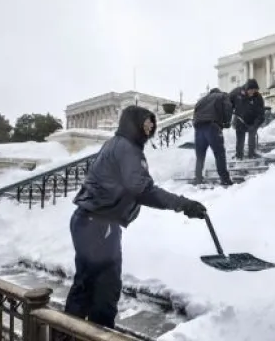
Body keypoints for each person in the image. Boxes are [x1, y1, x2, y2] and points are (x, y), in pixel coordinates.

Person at [63, 105, 208, 328]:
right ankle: (88, 334)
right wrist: (184, 204)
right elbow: (141, 189)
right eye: (146, 122)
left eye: (152, 122)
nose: (150, 126)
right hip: (98, 223)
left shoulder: (117, 144)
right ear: (132, 123)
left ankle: (74, 333)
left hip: (92, 221)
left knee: (90, 284)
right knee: (101, 288)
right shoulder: (127, 148)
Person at [192, 88, 234, 186]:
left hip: (198, 128)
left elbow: (195, 113)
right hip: (212, 126)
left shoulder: (201, 100)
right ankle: (224, 179)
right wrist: (227, 122)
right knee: (219, 153)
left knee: (200, 156)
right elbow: (228, 107)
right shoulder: (222, 95)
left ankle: (198, 178)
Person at [229, 79, 265, 160]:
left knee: (252, 136)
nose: (253, 92)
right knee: (240, 138)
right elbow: (227, 103)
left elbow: (261, 114)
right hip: (240, 119)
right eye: (251, 90)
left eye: (255, 90)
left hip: (253, 120)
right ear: (247, 88)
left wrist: (255, 125)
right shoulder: (236, 92)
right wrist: (230, 111)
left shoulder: (258, 97)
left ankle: (252, 154)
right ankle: (239, 155)